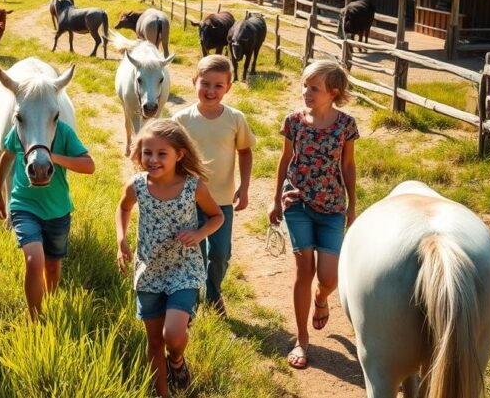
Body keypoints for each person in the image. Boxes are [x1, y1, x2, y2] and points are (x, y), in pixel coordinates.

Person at [116, 119, 224, 398]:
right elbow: (123, 208)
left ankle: (176, 359)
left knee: (173, 335)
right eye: (147, 152)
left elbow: (217, 216)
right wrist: (121, 240)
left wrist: (200, 234)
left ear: (180, 154)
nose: (152, 159)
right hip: (149, 271)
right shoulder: (137, 186)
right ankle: (163, 392)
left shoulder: (193, 187)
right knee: (154, 341)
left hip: (183, 268)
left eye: (161, 153)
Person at [269, 60, 358, 370]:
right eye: (305, 85)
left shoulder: (346, 125)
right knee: (303, 269)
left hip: (333, 206)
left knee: (329, 277)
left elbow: (347, 165)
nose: (306, 92)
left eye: (314, 88)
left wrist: (352, 205)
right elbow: (284, 160)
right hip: (298, 203)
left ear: (333, 92)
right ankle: (302, 338)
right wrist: (275, 199)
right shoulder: (293, 121)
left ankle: (321, 299)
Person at [172, 55, 255, 317]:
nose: (211, 91)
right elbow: (170, 155)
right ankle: (193, 298)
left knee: (220, 253)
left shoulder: (235, 118)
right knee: (193, 251)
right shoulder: (181, 119)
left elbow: (245, 151)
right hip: (189, 200)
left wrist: (244, 187)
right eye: (205, 83)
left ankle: (214, 292)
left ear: (228, 87)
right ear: (194, 81)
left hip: (221, 201)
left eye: (218, 85)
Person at [0, 114, 95, 321]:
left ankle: (49, 301)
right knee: (34, 260)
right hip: (23, 206)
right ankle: (35, 320)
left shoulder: (63, 132)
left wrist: (52, 157)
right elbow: (7, 155)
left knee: (52, 267)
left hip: (58, 212)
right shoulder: (21, 128)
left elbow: (89, 166)